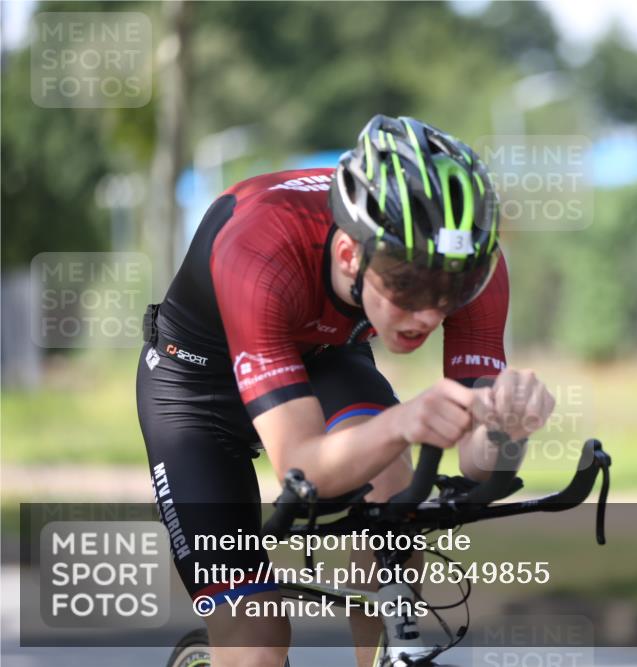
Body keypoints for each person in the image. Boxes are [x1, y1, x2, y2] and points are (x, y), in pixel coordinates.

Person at [136, 114, 555, 667]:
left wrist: (506, 430)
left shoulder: (467, 262)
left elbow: (482, 470)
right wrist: (404, 421)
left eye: (449, 289)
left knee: (394, 491)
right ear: (349, 256)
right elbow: (304, 469)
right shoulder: (259, 249)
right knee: (257, 641)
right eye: (407, 283)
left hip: (326, 357)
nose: (429, 310)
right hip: (196, 392)